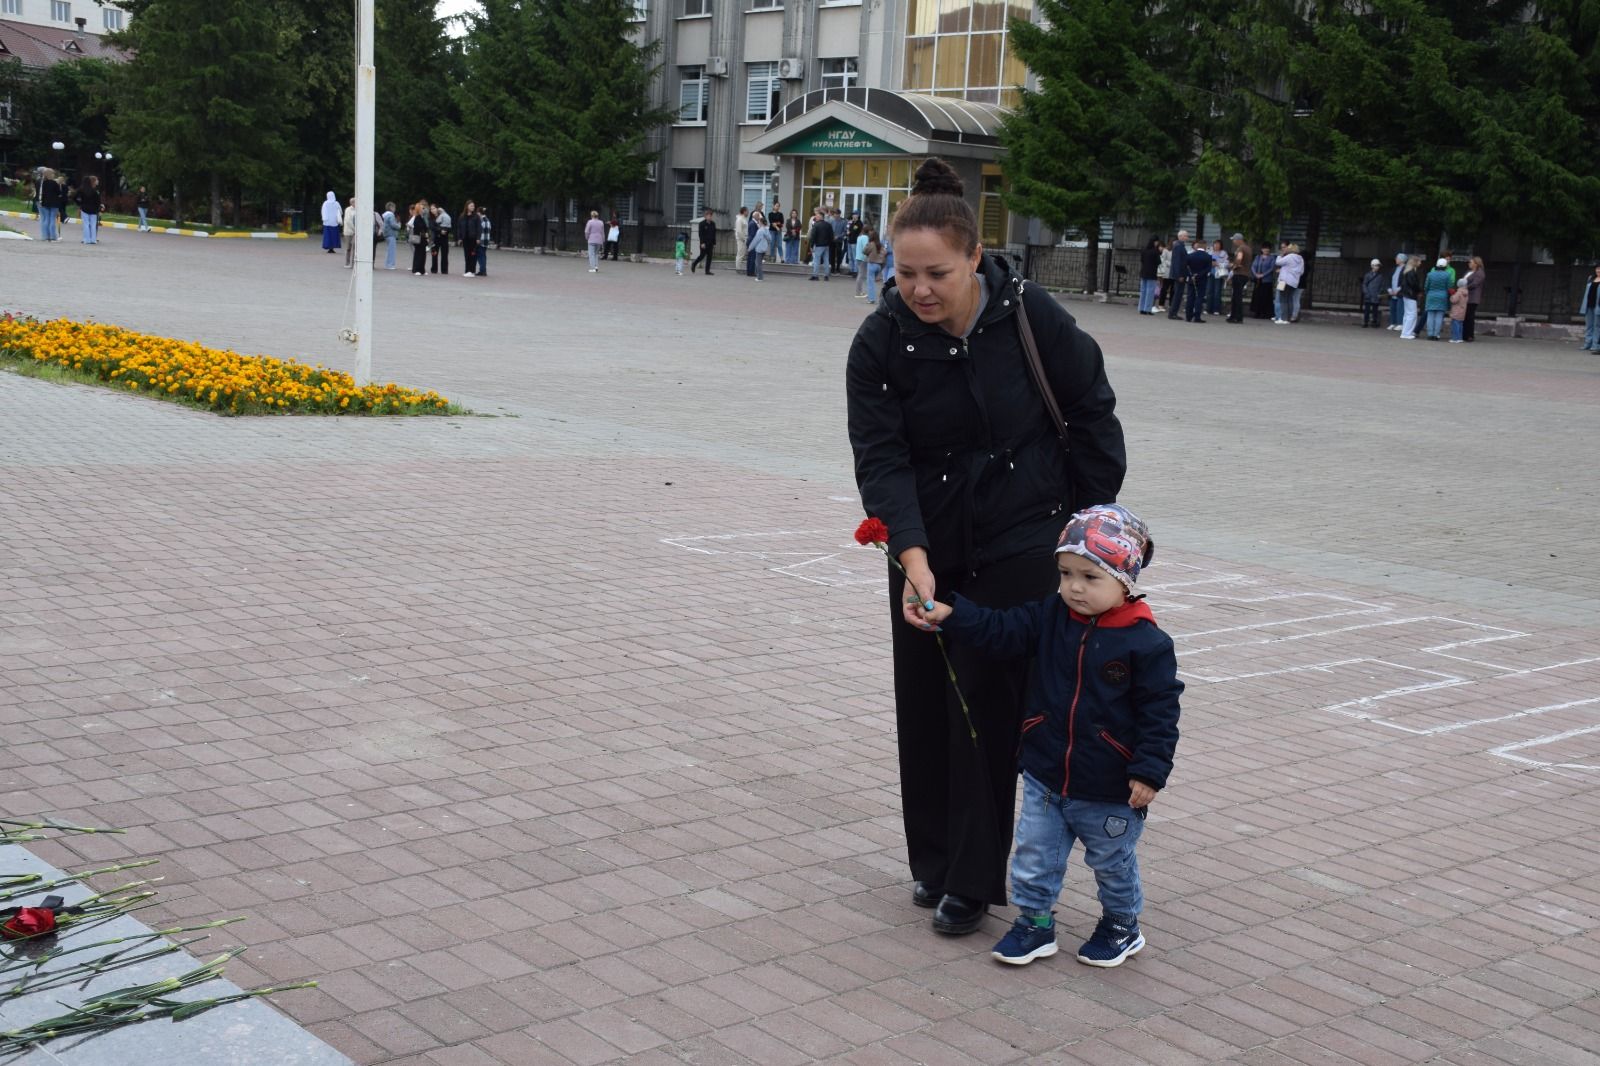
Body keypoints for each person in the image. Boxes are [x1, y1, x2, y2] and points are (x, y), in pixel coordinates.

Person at [845, 157, 1127, 938]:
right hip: (926, 543)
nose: (919, 289)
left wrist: (1078, 533)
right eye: (904, 273)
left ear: (975, 257)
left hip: (1021, 538)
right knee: (927, 706)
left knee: (988, 711)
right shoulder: (880, 344)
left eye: (936, 272)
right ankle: (932, 861)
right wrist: (911, 556)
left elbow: (1093, 415)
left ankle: (972, 880)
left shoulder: (1034, 319)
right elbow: (882, 458)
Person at [908, 505, 1180, 967]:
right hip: (1046, 773)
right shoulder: (1052, 617)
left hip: (1110, 785)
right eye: (1065, 573)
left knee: (1111, 864)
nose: (1074, 587)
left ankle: (1121, 925)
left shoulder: (1146, 644)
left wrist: (1149, 770)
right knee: (1034, 856)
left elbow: (1160, 714)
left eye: (1091, 577)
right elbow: (1002, 629)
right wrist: (955, 615)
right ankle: (1035, 923)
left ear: (1126, 580)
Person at [1273, 243, 1305, 324]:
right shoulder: (1301, 259)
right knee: (1290, 299)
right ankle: (1289, 318)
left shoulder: (1289, 257)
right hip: (1294, 282)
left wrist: (1280, 255)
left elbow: (1278, 262)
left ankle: (1283, 318)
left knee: (1282, 299)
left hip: (1283, 281)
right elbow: (1301, 272)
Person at [1423, 257, 1452, 340]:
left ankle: (1430, 334)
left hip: (1431, 295)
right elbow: (1449, 286)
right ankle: (1436, 334)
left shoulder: (1430, 274)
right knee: (1439, 316)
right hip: (1442, 296)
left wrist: (1427, 293)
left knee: (1430, 315)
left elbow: (1426, 286)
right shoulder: (1447, 275)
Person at [1184, 240, 1211, 323]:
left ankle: (1188, 316)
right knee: (1199, 297)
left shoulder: (1190, 256)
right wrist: (1199, 275)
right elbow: (1208, 269)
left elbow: (1185, 267)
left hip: (1191, 279)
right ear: (1205, 246)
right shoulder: (1208, 257)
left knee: (1190, 297)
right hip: (1202, 279)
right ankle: (1197, 316)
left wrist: (1191, 275)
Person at [1165, 230, 1189, 319]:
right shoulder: (1179, 246)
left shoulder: (1178, 246)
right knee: (1178, 294)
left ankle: (1173, 312)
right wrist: (1180, 275)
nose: (1187, 237)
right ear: (1181, 236)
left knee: (1178, 293)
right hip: (1179, 274)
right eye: (1186, 236)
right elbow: (1178, 262)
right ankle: (1173, 313)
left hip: (1179, 273)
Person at [1226, 234, 1250, 323]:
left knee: (1236, 296)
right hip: (1245, 274)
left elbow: (1239, 258)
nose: (1233, 242)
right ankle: (1235, 316)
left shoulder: (1241, 248)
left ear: (1238, 240)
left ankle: (1236, 317)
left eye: (1234, 240)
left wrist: (1234, 265)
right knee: (1238, 296)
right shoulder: (1248, 248)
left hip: (1239, 273)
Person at [1399, 255, 1423, 339]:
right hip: (1411, 295)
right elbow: (1414, 284)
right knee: (1412, 314)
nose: (1420, 263)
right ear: (1415, 262)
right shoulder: (1411, 272)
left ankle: (1405, 332)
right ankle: (1407, 333)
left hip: (1407, 294)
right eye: (1419, 261)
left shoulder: (1407, 271)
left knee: (1407, 314)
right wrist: (1419, 290)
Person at [1250, 243, 1276, 320]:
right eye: (1264, 248)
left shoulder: (1272, 258)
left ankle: (1264, 313)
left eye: (1268, 248)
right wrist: (1256, 274)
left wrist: (1263, 275)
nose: (1266, 250)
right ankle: (1256, 312)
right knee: (1257, 296)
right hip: (1258, 280)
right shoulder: (1258, 257)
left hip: (1266, 280)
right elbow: (1253, 266)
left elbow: (1271, 268)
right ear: (1262, 249)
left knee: (1265, 297)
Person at [74, 176, 103, 245]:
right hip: (93, 210)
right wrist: (98, 208)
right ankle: (93, 239)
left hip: (84, 208)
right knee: (93, 225)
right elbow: (98, 201)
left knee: (86, 224)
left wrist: (80, 203)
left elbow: (75, 197)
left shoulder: (81, 190)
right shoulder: (95, 191)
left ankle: (86, 239)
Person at [1462, 256, 1485, 341]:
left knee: (1470, 316)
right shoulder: (1468, 272)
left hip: (1473, 297)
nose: (1469, 264)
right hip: (1465, 295)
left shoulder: (1479, 273)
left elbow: (1475, 284)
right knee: (1465, 316)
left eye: (1471, 262)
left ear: (1476, 264)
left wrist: (1465, 287)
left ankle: (1469, 335)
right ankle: (1464, 334)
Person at [37, 169, 62, 242]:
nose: (54, 175)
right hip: (54, 203)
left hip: (45, 203)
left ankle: (45, 236)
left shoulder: (43, 183)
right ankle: (52, 236)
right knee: (52, 220)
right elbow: (59, 193)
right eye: (53, 174)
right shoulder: (54, 183)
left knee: (46, 219)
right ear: (50, 175)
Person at [407, 201, 431, 276]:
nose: (423, 210)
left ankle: (422, 270)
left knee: (423, 254)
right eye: (422, 208)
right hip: (418, 239)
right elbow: (418, 228)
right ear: (418, 209)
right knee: (418, 254)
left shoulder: (422, 217)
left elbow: (425, 227)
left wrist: (426, 233)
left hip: (423, 239)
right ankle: (416, 269)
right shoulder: (417, 218)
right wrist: (424, 233)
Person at [1360, 259, 1386, 327]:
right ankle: (1365, 322)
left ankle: (1374, 322)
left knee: (1375, 310)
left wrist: (1380, 292)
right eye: (1376, 265)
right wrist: (1366, 293)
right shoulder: (1367, 275)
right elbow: (1364, 284)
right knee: (1367, 310)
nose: (1378, 267)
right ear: (1372, 266)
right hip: (1369, 295)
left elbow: (1382, 285)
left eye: (1378, 266)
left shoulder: (1380, 276)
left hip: (1376, 295)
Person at [1137, 238, 1160, 315]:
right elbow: (1158, 262)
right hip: (1152, 273)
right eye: (1157, 242)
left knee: (1143, 290)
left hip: (1144, 272)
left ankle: (1141, 308)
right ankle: (1148, 309)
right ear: (1154, 242)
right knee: (1150, 291)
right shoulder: (1155, 251)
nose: (1157, 243)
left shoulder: (1144, 250)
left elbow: (1142, 260)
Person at [808, 210, 833, 281]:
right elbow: (831, 236)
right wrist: (829, 243)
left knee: (816, 260)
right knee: (826, 260)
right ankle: (826, 276)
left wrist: (811, 245)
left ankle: (815, 275)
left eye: (817, 215)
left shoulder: (816, 225)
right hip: (826, 245)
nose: (815, 217)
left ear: (820, 216)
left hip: (819, 245)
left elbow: (813, 236)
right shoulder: (828, 225)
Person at [1580, 264, 1600, 352]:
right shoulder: (1591, 278)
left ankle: (1595, 345)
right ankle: (1587, 343)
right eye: (1597, 269)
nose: (1598, 271)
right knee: (1589, 325)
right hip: (1589, 305)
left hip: (1598, 306)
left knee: (1597, 326)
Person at [691, 207, 716, 275]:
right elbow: (700, 234)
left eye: (711, 216)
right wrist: (702, 243)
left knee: (709, 257)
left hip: (710, 243)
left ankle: (707, 271)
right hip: (704, 243)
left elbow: (714, 234)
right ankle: (694, 264)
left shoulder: (713, 224)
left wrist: (714, 243)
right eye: (708, 215)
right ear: (705, 216)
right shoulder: (702, 224)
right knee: (702, 256)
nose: (710, 217)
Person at [458, 200, 480, 276]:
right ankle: (467, 270)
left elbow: (479, 228)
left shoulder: (476, 216)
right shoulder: (462, 216)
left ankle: (472, 271)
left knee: (473, 254)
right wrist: (460, 238)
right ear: (467, 206)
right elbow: (459, 227)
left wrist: (478, 238)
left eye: (473, 206)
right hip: (465, 238)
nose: (473, 207)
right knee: (466, 254)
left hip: (473, 238)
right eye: (471, 206)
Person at [864, 232, 886, 303]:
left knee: (870, 283)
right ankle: (871, 295)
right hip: (879, 266)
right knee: (873, 282)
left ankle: (871, 299)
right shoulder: (881, 245)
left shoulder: (871, 244)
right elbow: (884, 254)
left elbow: (864, 251)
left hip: (872, 264)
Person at [1207, 239, 1227, 315]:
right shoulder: (1209, 252)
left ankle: (1216, 309)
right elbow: (1205, 261)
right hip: (1210, 274)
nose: (1216, 245)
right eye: (1215, 244)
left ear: (1221, 245)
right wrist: (1210, 263)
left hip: (1219, 274)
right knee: (1209, 292)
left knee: (1217, 292)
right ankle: (1208, 309)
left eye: (1218, 244)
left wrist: (1218, 264)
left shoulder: (1224, 253)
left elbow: (1226, 263)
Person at [1386, 252, 1407, 330]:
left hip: (1400, 292)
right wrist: (1389, 289)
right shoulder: (1394, 269)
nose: (1396, 259)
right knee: (1392, 308)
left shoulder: (1405, 269)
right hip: (1392, 292)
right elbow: (1389, 279)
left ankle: (1400, 323)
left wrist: (1398, 289)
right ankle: (1393, 323)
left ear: (1402, 260)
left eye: (1397, 258)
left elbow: (1404, 281)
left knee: (1400, 308)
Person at [430, 204, 452, 274]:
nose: (432, 210)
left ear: (437, 208)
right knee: (434, 254)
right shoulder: (431, 218)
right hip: (435, 238)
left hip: (444, 238)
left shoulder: (444, 216)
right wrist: (440, 231)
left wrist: (446, 231)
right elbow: (432, 227)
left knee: (444, 255)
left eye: (434, 208)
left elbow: (449, 226)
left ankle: (444, 270)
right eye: (431, 209)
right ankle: (434, 269)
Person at [747, 213, 769, 280]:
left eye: (759, 221)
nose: (758, 222)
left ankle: (759, 277)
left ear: (761, 222)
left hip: (759, 248)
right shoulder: (766, 230)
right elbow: (770, 238)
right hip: (764, 248)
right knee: (759, 263)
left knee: (758, 263)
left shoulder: (760, 231)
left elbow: (755, 240)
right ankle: (758, 275)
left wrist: (750, 248)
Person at [746, 205, 765, 278]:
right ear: (755, 216)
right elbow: (753, 235)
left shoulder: (753, 223)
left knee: (750, 257)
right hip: (752, 242)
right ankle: (750, 272)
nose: (759, 217)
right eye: (758, 216)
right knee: (752, 257)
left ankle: (749, 271)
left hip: (751, 242)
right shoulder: (753, 223)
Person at [381, 202, 400, 270]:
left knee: (389, 250)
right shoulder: (391, 215)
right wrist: (398, 226)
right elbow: (393, 224)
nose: (395, 209)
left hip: (386, 234)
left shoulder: (385, 215)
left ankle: (387, 264)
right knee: (392, 250)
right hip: (391, 234)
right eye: (394, 207)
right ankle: (390, 265)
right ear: (391, 207)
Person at [830, 208, 849, 275]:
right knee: (832, 254)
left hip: (839, 240)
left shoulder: (843, 221)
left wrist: (838, 236)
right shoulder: (831, 221)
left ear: (839, 214)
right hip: (832, 240)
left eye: (836, 214)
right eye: (834, 214)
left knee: (839, 254)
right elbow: (830, 230)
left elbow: (845, 231)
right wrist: (831, 236)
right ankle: (832, 268)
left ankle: (838, 268)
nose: (835, 215)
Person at [854, 226, 872, 298]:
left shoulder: (859, 237)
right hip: (863, 258)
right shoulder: (865, 238)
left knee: (860, 274)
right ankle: (859, 292)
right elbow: (866, 248)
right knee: (861, 275)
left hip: (858, 257)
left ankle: (859, 291)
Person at [475, 207, 492, 276]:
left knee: (480, 256)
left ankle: (482, 271)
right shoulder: (488, 220)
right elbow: (490, 229)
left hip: (480, 240)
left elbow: (478, 230)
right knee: (483, 255)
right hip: (486, 240)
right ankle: (483, 270)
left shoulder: (480, 220)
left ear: (479, 213)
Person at [342, 197, 359, 266]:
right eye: (355, 202)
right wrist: (355, 229)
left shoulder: (358, 210)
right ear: (352, 203)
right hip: (348, 231)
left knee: (355, 247)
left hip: (356, 232)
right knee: (348, 247)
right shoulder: (348, 210)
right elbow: (348, 221)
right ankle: (347, 263)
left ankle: (353, 263)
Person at [1154, 240, 1171, 310]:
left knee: (1162, 287)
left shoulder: (1165, 252)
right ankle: (1155, 304)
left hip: (1164, 272)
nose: (1161, 248)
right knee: (1157, 287)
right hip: (1158, 272)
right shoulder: (1156, 253)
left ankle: (1158, 303)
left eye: (1162, 246)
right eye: (1160, 246)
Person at [734, 206, 749, 272]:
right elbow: (739, 231)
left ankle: (739, 267)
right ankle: (738, 268)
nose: (748, 212)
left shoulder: (744, 219)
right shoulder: (739, 219)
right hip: (741, 239)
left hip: (743, 238)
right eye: (747, 211)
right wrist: (743, 239)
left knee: (742, 253)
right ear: (744, 211)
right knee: (740, 253)